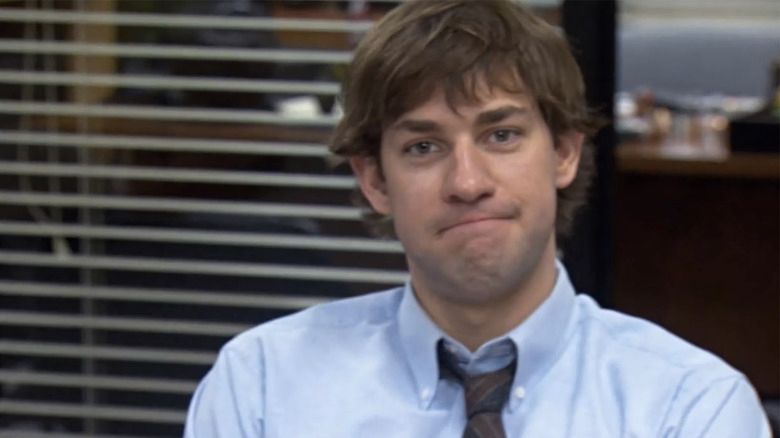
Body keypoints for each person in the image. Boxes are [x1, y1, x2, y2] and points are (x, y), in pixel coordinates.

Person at [184, 1, 771, 436]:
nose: (467, 182)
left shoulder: (690, 410)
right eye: (423, 147)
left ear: (564, 153)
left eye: (501, 134)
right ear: (374, 180)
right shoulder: (260, 388)